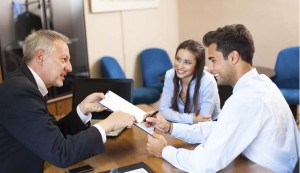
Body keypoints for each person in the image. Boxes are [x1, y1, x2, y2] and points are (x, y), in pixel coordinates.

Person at [145, 24, 299, 172]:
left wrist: (164, 151)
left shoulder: (245, 100)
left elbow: (204, 164)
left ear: (233, 57)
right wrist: (170, 128)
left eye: (213, 60)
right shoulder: (263, 83)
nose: (210, 68)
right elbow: (220, 129)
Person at [0, 30, 136, 173]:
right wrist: (108, 124)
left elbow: (50, 135)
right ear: (40, 57)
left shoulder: (23, 83)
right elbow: (60, 153)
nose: (69, 67)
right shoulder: (19, 92)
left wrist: (82, 111)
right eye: (63, 59)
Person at [160, 40, 220, 124]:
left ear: (198, 65)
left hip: (208, 129)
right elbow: (163, 110)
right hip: (181, 125)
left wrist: (177, 117)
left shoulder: (208, 82)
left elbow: (204, 121)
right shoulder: (170, 75)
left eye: (187, 62)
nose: (179, 66)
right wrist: (192, 118)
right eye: (178, 59)